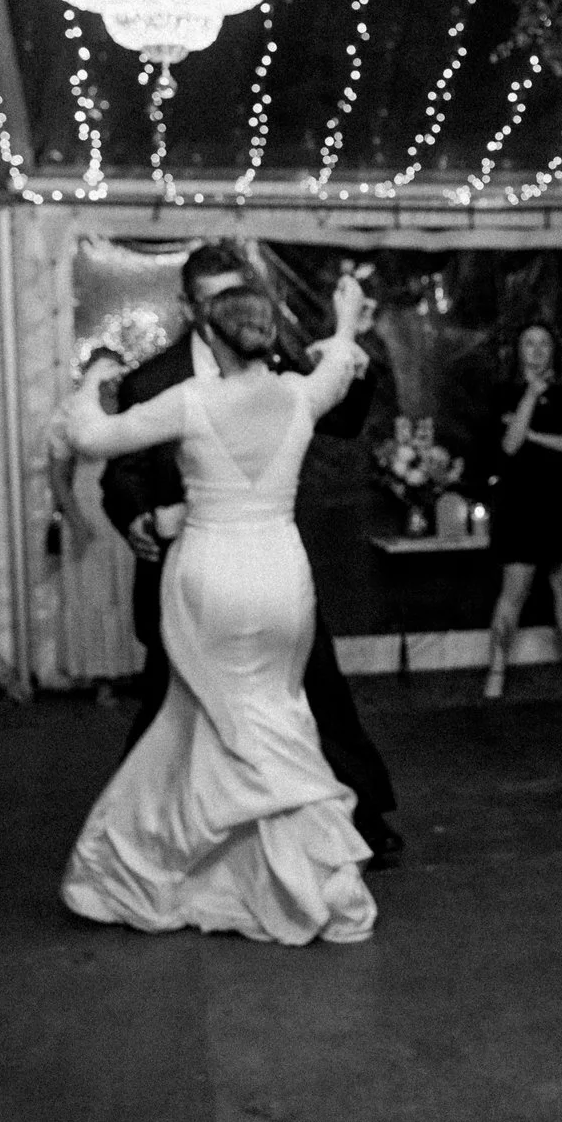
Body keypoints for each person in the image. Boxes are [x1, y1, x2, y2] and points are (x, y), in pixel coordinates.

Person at [56, 275, 379, 945]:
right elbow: (341, 364)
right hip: (282, 576)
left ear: (208, 334)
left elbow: (91, 437)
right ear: (265, 335)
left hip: (214, 579)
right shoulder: (299, 393)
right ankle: (295, 873)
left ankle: (180, 864)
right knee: (274, 716)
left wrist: (93, 379)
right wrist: (345, 316)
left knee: (221, 719)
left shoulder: (192, 400)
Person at [98, 243, 402, 863]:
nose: (233, 310)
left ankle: (357, 817)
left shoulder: (273, 358)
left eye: (241, 294)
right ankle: (151, 837)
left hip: (269, 568)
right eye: (216, 299)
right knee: (173, 708)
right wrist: (135, 516)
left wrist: (354, 359)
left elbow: (339, 419)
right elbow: (121, 473)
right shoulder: (151, 380)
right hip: (191, 578)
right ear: (190, 306)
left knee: (314, 690)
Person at [484, 323, 562, 699]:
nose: (536, 350)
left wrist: (534, 436)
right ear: (518, 350)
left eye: (544, 343)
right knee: (513, 590)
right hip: (519, 504)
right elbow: (510, 446)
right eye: (528, 343)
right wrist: (530, 396)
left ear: (553, 350)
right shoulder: (503, 393)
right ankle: (497, 669)